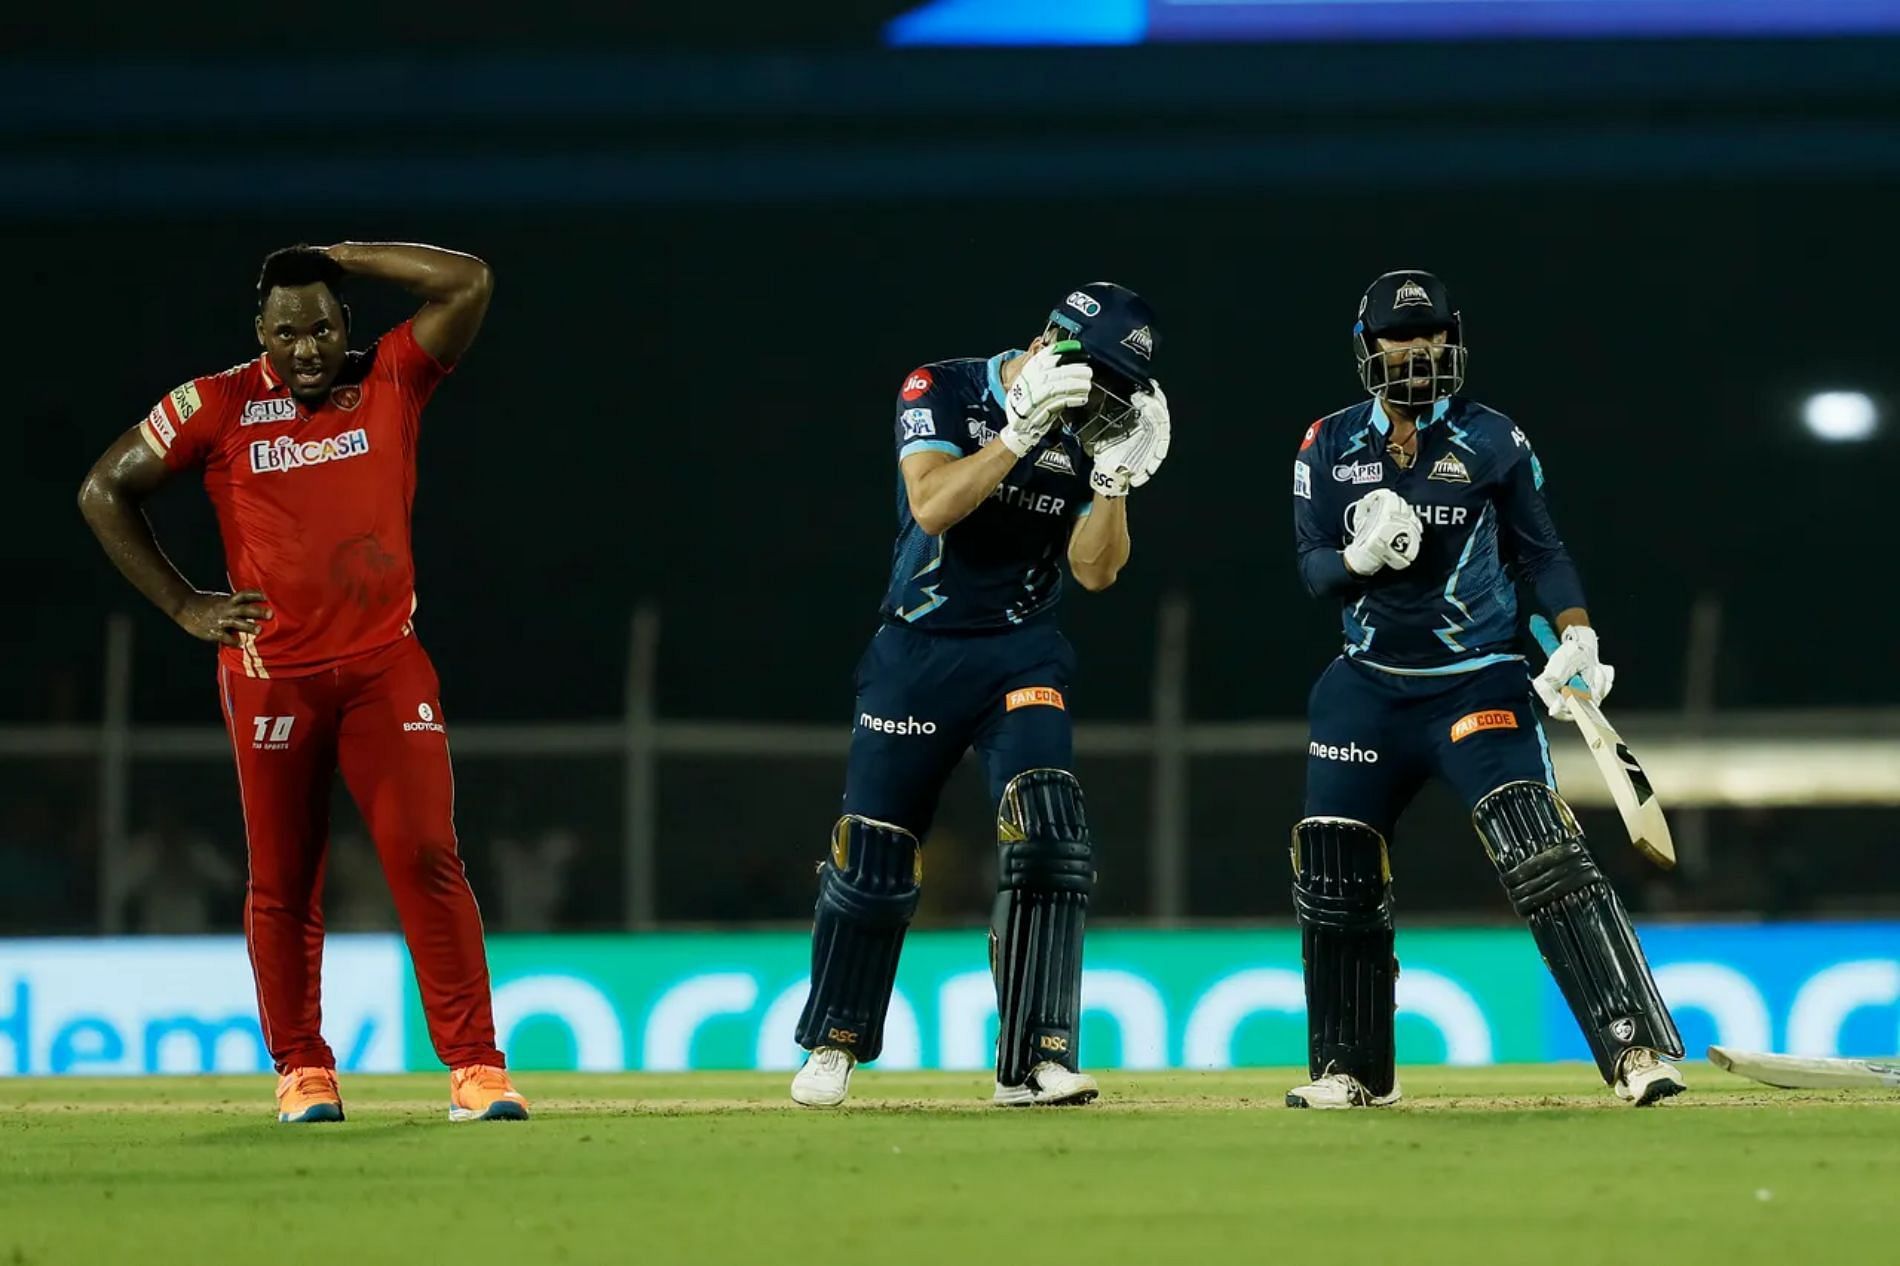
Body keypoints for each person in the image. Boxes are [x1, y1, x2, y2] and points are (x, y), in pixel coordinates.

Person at [78, 241, 529, 1124]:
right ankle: (303, 1071)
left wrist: (345, 254)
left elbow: (470, 279)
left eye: (323, 325)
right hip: (271, 679)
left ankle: (476, 1069)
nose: (308, 348)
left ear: (345, 322)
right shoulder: (217, 403)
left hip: (383, 669)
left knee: (427, 857)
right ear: (261, 335)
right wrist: (183, 605)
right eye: (288, 333)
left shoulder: (394, 376)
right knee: (285, 880)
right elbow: (103, 490)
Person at [1287, 269, 1684, 1108]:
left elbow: (1543, 551)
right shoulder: (1325, 445)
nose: (1417, 350)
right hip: (1365, 688)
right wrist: (1356, 561)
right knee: (1335, 862)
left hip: (1477, 681)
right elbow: (1313, 570)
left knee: (1538, 844)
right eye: (1400, 336)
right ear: (1368, 348)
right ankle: (1351, 1069)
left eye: (1430, 333)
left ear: (1452, 340)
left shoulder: (1494, 438)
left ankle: (1636, 1048)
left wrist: (1576, 630)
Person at [790, 283, 1171, 1108]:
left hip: (1022, 653)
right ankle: (835, 1042)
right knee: (877, 849)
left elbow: (1097, 571)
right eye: (1092, 371)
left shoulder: (1091, 430)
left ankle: (1036, 1058)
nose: (1100, 397)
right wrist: (1018, 430)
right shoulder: (943, 388)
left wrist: (1113, 485)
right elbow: (932, 507)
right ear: (1049, 340)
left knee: (1049, 834)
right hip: (918, 649)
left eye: (1115, 385)